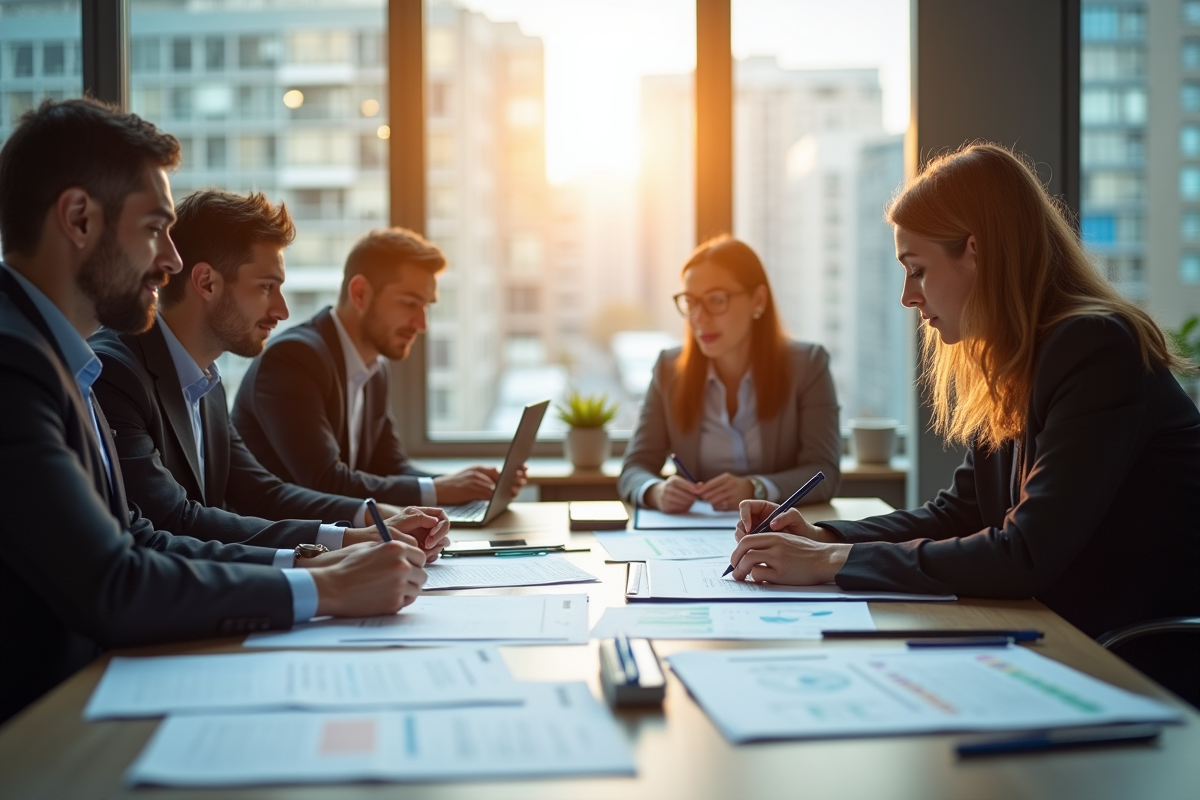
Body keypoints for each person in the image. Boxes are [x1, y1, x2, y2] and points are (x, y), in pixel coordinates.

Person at [0, 98, 432, 723]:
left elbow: (138, 535)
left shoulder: (60, 358)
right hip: (43, 730)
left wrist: (324, 555)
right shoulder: (16, 367)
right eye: (154, 229)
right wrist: (325, 585)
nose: (171, 259)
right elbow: (112, 581)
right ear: (78, 218)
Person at [729, 144, 1200, 699]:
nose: (908, 297)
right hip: (1057, 639)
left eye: (918, 270)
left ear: (975, 252)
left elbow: (1025, 554)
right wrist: (821, 535)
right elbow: (962, 512)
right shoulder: (1015, 358)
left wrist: (832, 561)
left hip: (1128, 663)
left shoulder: (1094, 346)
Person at [89, 189, 422, 552]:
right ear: (206, 283)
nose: (282, 311)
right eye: (266, 287)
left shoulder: (206, 382)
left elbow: (261, 492)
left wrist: (372, 517)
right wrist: (341, 542)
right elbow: (172, 519)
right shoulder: (115, 374)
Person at [232, 227, 526, 508]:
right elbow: (324, 481)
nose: (422, 324)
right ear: (360, 293)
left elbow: (390, 467)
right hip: (285, 548)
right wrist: (438, 489)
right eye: (410, 303)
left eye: (426, 306)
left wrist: (465, 485)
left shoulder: (375, 368)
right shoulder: (294, 359)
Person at [619, 235, 841, 512]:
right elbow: (634, 469)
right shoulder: (669, 369)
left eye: (716, 300)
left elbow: (825, 473)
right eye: (691, 302)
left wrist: (754, 488)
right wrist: (655, 491)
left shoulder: (808, 365)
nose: (699, 317)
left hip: (778, 534)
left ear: (758, 300)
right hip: (693, 537)